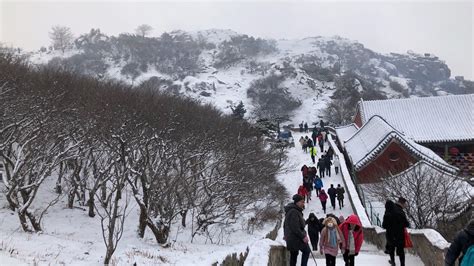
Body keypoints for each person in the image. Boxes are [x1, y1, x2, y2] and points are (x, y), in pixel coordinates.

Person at [284, 194, 311, 266]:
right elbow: (295, 227)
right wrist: (303, 237)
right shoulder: (294, 212)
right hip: (295, 238)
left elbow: (286, 224)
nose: (303, 203)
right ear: (297, 202)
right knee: (306, 251)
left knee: (294, 255)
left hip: (292, 237)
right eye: (302, 202)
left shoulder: (293, 211)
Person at [382, 197, 410, 266]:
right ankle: (402, 264)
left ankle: (393, 262)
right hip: (399, 235)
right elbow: (406, 224)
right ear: (402, 203)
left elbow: (384, 225)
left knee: (391, 249)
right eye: (405, 204)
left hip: (390, 235)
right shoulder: (400, 212)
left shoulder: (387, 212)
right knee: (401, 251)